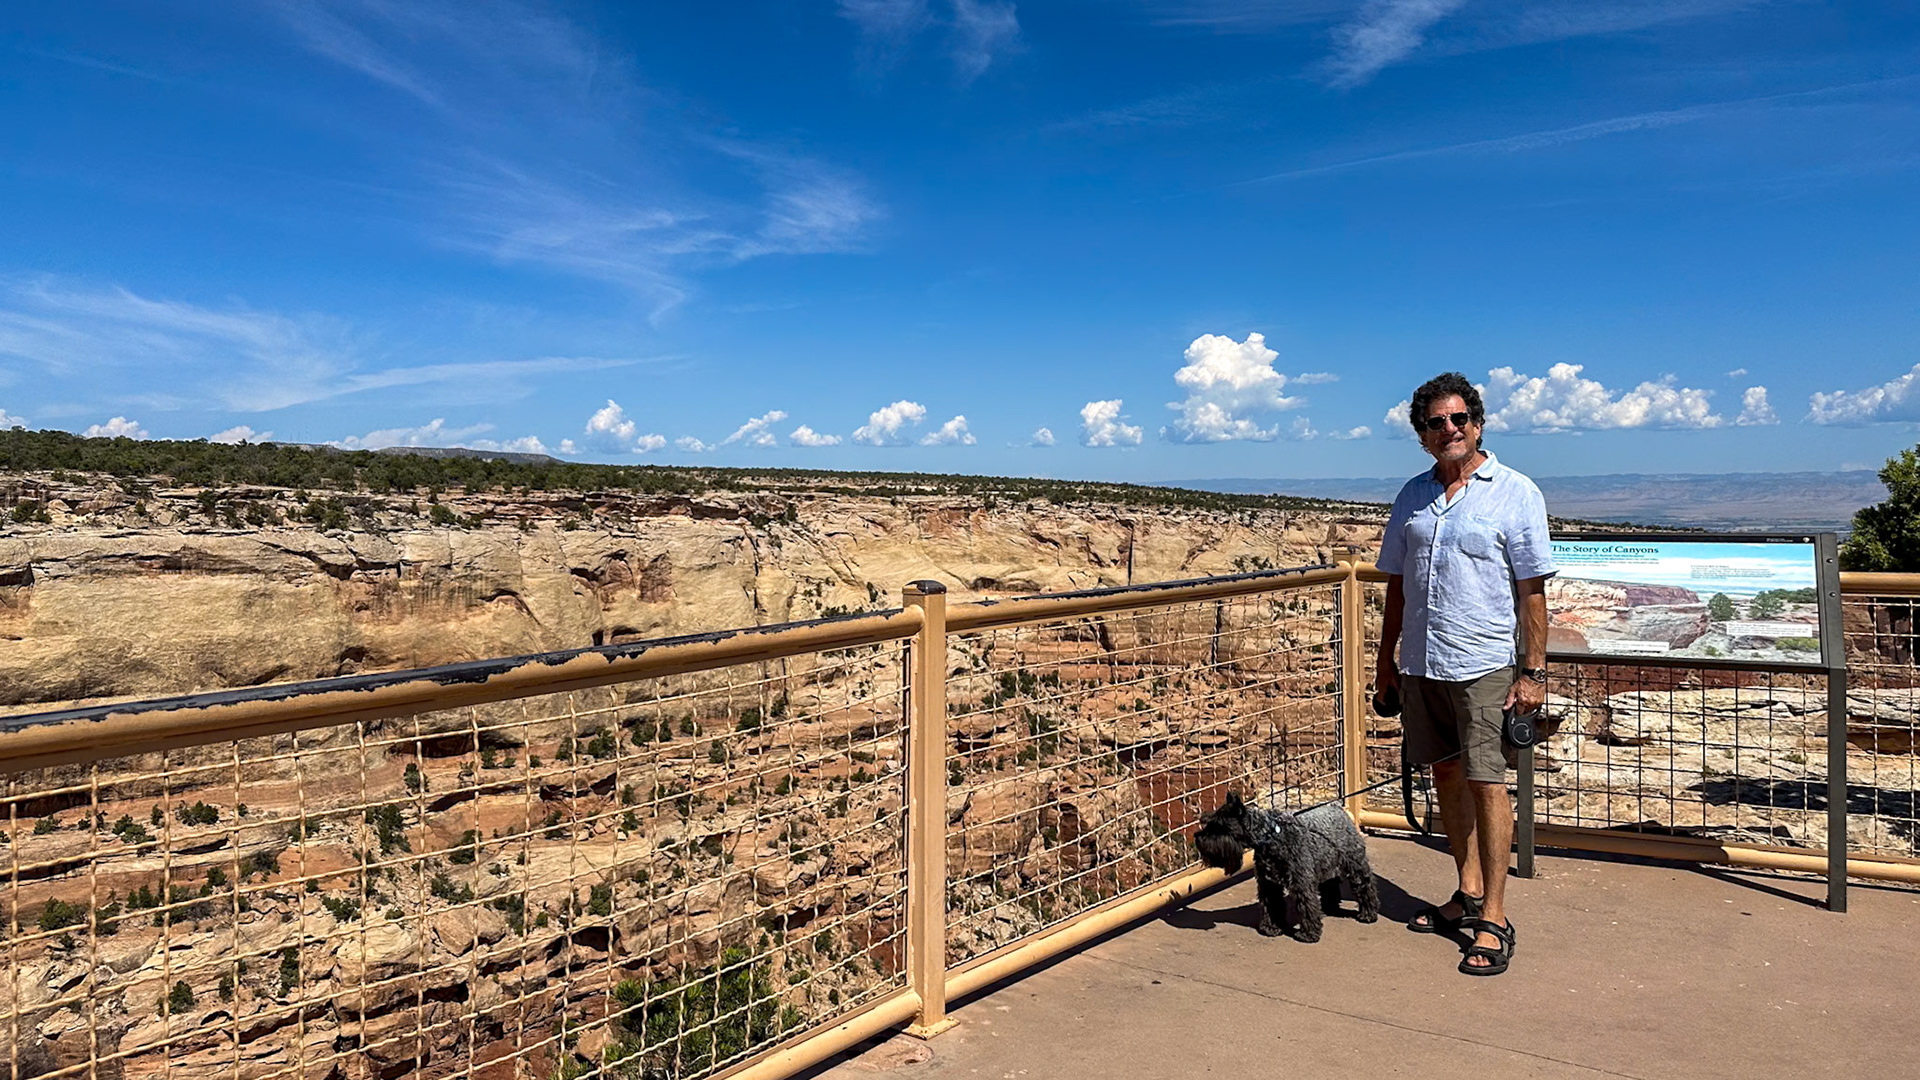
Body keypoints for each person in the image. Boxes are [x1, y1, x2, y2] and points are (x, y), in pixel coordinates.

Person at [1375, 372, 1554, 977]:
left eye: (1458, 419)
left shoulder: (1515, 492)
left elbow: (1531, 593)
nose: (1448, 429)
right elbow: (1397, 589)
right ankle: (1467, 889)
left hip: (1484, 663)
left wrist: (1533, 674)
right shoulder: (1412, 497)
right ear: (1422, 435)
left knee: (1487, 781)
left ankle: (1495, 917)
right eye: (1434, 422)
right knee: (1446, 774)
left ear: (1477, 423)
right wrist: (1385, 664)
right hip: (1424, 662)